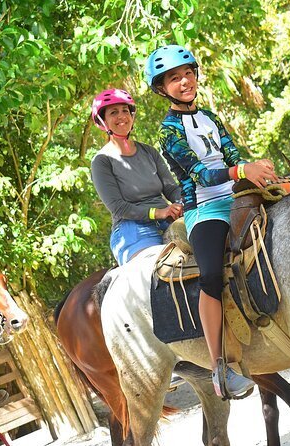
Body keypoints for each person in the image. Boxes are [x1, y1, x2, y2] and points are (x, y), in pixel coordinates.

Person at [145, 45, 277, 398]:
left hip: (234, 197)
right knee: (212, 276)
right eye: (174, 78)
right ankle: (219, 367)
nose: (184, 81)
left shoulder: (210, 118)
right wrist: (239, 170)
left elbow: (232, 156)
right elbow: (201, 175)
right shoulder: (168, 131)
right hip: (204, 209)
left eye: (188, 73)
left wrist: (254, 171)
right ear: (162, 89)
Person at [90, 88, 183, 266]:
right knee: (153, 271)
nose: (121, 116)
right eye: (114, 112)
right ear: (103, 122)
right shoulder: (101, 161)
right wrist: (160, 212)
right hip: (131, 229)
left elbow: (170, 188)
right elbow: (118, 208)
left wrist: (181, 202)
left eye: (125, 110)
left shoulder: (149, 151)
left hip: (169, 222)